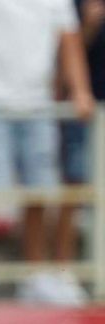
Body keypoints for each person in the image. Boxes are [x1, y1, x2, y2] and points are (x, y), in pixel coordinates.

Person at [0, 0, 92, 306]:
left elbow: (69, 40)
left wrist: (80, 90)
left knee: (39, 193)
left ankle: (34, 275)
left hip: (38, 104)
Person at [57, 0, 105, 285]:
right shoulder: (74, 5)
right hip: (87, 110)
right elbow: (65, 60)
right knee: (73, 190)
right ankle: (63, 271)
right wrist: (88, 25)